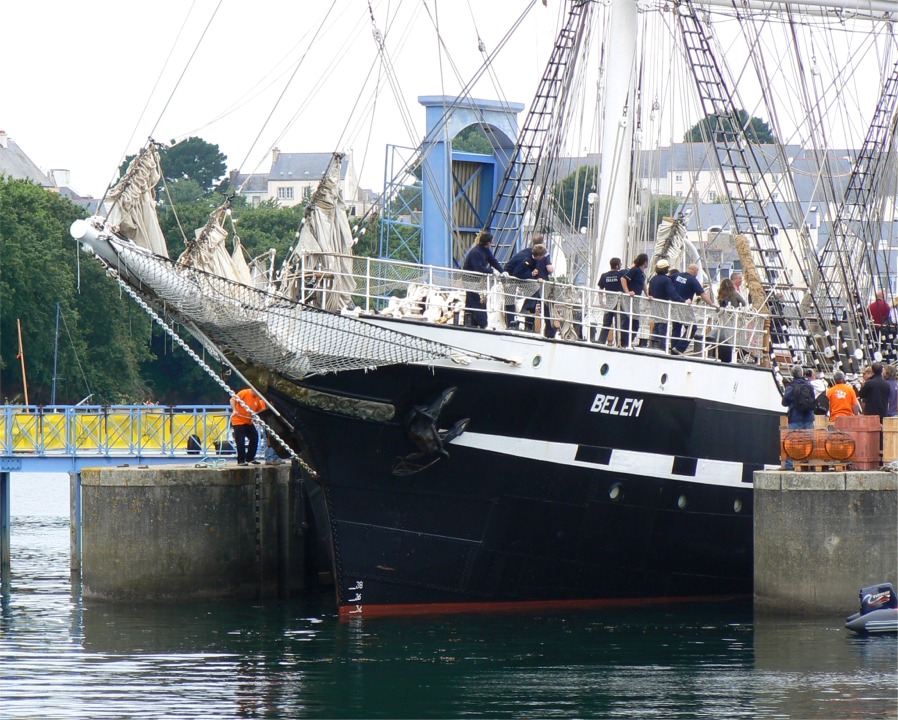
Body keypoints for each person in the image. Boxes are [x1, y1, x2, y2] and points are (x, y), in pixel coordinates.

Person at [671, 263, 715, 354]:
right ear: (695, 271)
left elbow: (668, 284)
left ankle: (673, 348)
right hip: (685, 307)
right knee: (692, 328)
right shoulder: (692, 280)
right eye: (697, 271)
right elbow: (703, 294)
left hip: (673, 305)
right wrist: (712, 304)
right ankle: (680, 348)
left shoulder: (676, 276)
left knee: (676, 328)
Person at [462, 231, 503, 329]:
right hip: (469, 278)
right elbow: (478, 268)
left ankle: (469, 321)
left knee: (470, 300)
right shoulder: (476, 252)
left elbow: (493, 261)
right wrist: (492, 271)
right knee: (474, 299)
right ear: (488, 243)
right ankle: (484, 324)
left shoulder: (484, 251)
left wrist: (502, 271)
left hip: (475, 279)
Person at [505, 242, 548, 331]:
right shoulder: (526, 259)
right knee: (510, 301)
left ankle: (527, 309)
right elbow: (517, 272)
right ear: (539, 256)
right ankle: (511, 324)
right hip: (509, 277)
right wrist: (531, 274)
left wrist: (538, 276)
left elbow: (535, 266)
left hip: (518, 275)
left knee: (535, 287)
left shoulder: (531, 253)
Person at [647, 259, 681, 351]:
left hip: (655, 305)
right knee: (662, 327)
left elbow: (650, 292)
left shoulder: (653, 279)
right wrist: (682, 301)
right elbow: (672, 293)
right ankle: (661, 348)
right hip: (664, 305)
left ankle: (653, 345)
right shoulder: (666, 280)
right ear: (666, 269)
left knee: (656, 326)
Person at [231, 387, 267, 465]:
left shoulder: (257, 398)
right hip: (238, 421)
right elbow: (232, 400)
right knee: (240, 441)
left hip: (248, 422)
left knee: (254, 438)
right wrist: (234, 410)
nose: (258, 394)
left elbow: (259, 409)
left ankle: (250, 458)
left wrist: (257, 416)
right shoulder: (244, 392)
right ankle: (241, 460)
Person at [619, 253, 648, 348]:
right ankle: (624, 343)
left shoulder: (642, 273)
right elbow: (623, 279)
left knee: (635, 324)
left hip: (636, 301)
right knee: (628, 322)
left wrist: (648, 295)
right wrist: (627, 292)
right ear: (645, 262)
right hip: (629, 300)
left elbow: (643, 285)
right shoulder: (635, 270)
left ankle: (628, 342)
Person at [714, 277, 746, 363]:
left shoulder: (720, 294)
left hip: (723, 317)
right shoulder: (734, 293)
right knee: (733, 335)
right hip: (733, 318)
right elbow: (743, 303)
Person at [597, 257, 625, 345]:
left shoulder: (604, 276)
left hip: (608, 303)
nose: (620, 266)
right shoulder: (621, 275)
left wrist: (601, 301)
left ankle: (601, 342)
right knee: (618, 325)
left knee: (606, 324)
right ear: (617, 266)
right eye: (620, 264)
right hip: (619, 302)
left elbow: (600, 289)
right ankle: (619, 344)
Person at [782, 364, 815, 430]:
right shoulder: (809, 385)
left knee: (795, 440)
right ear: (802, 373)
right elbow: (813, 399)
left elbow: (784, 403)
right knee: (809, 440)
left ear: (792, 374)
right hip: (809, 418)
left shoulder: (790, 387)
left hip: (795, 418)